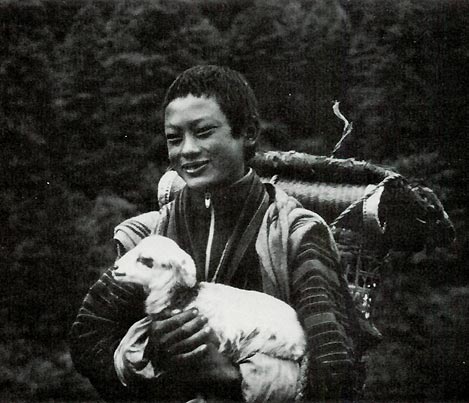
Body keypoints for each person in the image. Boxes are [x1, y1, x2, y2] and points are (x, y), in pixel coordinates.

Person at [69, 65, 362, 402]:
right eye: (174, 138)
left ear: (248, 133)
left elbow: (336, 368)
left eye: (204, 131)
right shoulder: (149, 237)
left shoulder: (296, 235)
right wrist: (153, 354)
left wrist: (229, 378)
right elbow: (89, 336)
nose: (187, 150)